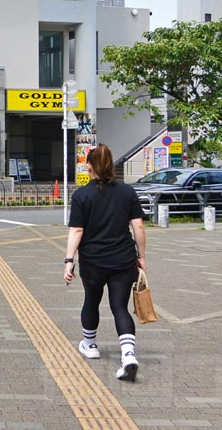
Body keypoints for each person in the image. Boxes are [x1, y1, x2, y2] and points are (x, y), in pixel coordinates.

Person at [64, 144, 147, 382]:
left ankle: (90, 345)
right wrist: (141, 257)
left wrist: (69, 261)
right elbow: (138, 226)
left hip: (93, 260)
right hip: (123, 258)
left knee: (92, 299)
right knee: (119, 306)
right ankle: (128, 354)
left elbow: (77, 230)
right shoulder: (127, 192)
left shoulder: (82, 195)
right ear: (111, 166)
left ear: (88, 166)